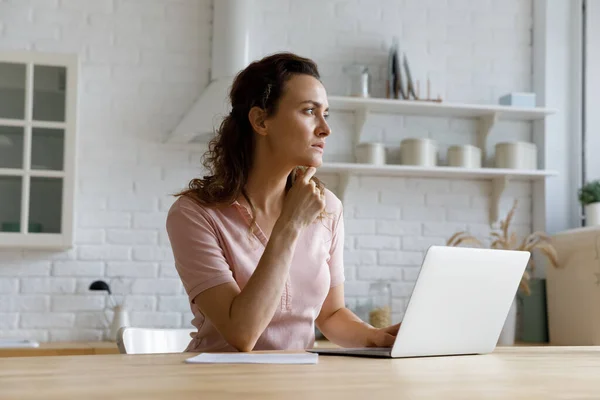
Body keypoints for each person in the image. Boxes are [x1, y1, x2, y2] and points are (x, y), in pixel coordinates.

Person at [166, 52, 400, 353]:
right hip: (220, 384)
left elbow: (330, 315)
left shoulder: (327, 207)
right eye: (308, 111)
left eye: (325, 114)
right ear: (261, 120)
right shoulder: (195, 214)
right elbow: (242, 334)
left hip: (298, 383)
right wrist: (290, 225)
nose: (325, 129)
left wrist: (377, 337)